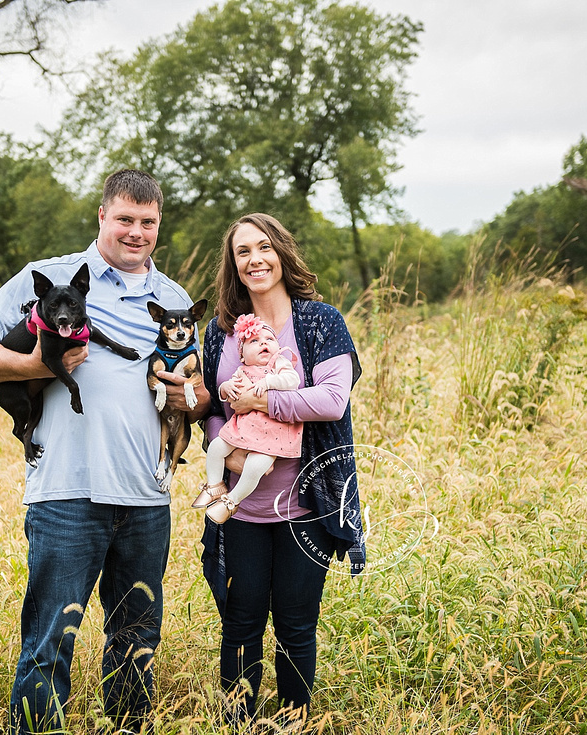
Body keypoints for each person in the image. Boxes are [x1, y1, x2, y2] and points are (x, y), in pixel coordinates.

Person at [0, 169, 210, 735]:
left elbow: (192, 386)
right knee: (49, 641)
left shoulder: (174, 299)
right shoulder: (51, 280)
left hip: (145, 497)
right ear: (102, 217)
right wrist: (36, 365)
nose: (136, 232)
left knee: (136, 641)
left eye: (148, 223)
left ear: (158, 226)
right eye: (125, 220)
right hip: (67, 493)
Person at [198, 213, 365, 728]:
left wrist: (259, 401)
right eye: (242, 252)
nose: (255, 260)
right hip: (239, 509)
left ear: (282, 254)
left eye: (264, 247)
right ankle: (238, 725)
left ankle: (295, 724)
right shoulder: (218, 334)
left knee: (296, 626)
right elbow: (209, 407)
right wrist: (221, 449)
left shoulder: (321, 322)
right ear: (233, 264)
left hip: (304, 506)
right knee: (240, 626)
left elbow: (333, 400)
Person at [195, 313, 303, 524]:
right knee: (216, 446)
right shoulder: (242, 370)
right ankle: (214, 485)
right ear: (243, 355)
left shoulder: (279, 363)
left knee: (256, 465)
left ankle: (231, 501)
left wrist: (271, 382)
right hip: (242, 429)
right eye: (255, 341)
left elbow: (293, 381)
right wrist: (225, 388)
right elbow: (226, 395)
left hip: (272, 434)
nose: (264, 343)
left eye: (269, 340)